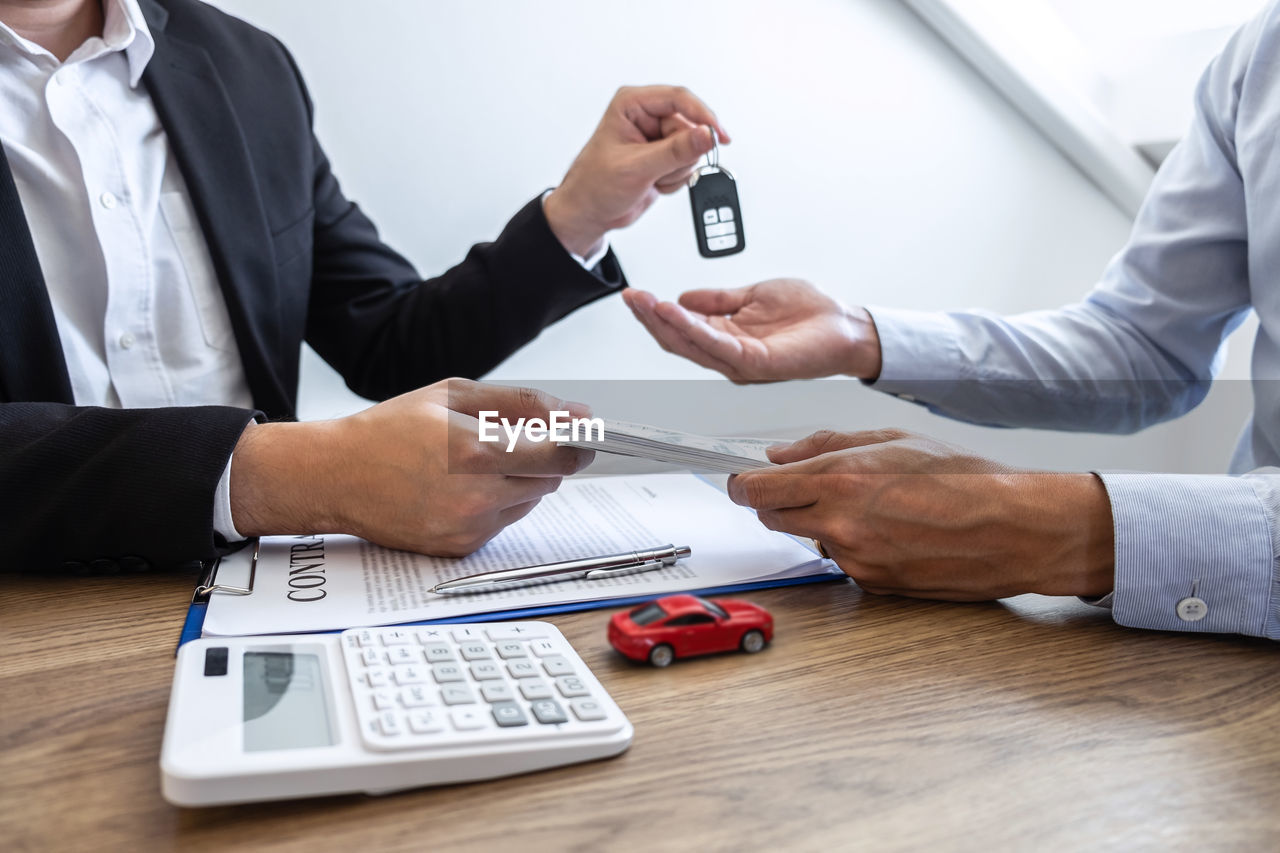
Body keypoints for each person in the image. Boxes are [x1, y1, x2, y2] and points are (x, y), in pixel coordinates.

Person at [624, 4, 1280, 641]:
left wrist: (1058, 529)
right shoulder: (1257, 57)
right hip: (1212, 646)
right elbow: (1147, 349)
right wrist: (861, 336)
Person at [0, 0, 729, 572]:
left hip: (273, 592)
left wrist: (576, 214)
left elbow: (390, 341)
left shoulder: (244, 67)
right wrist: (297, 474)